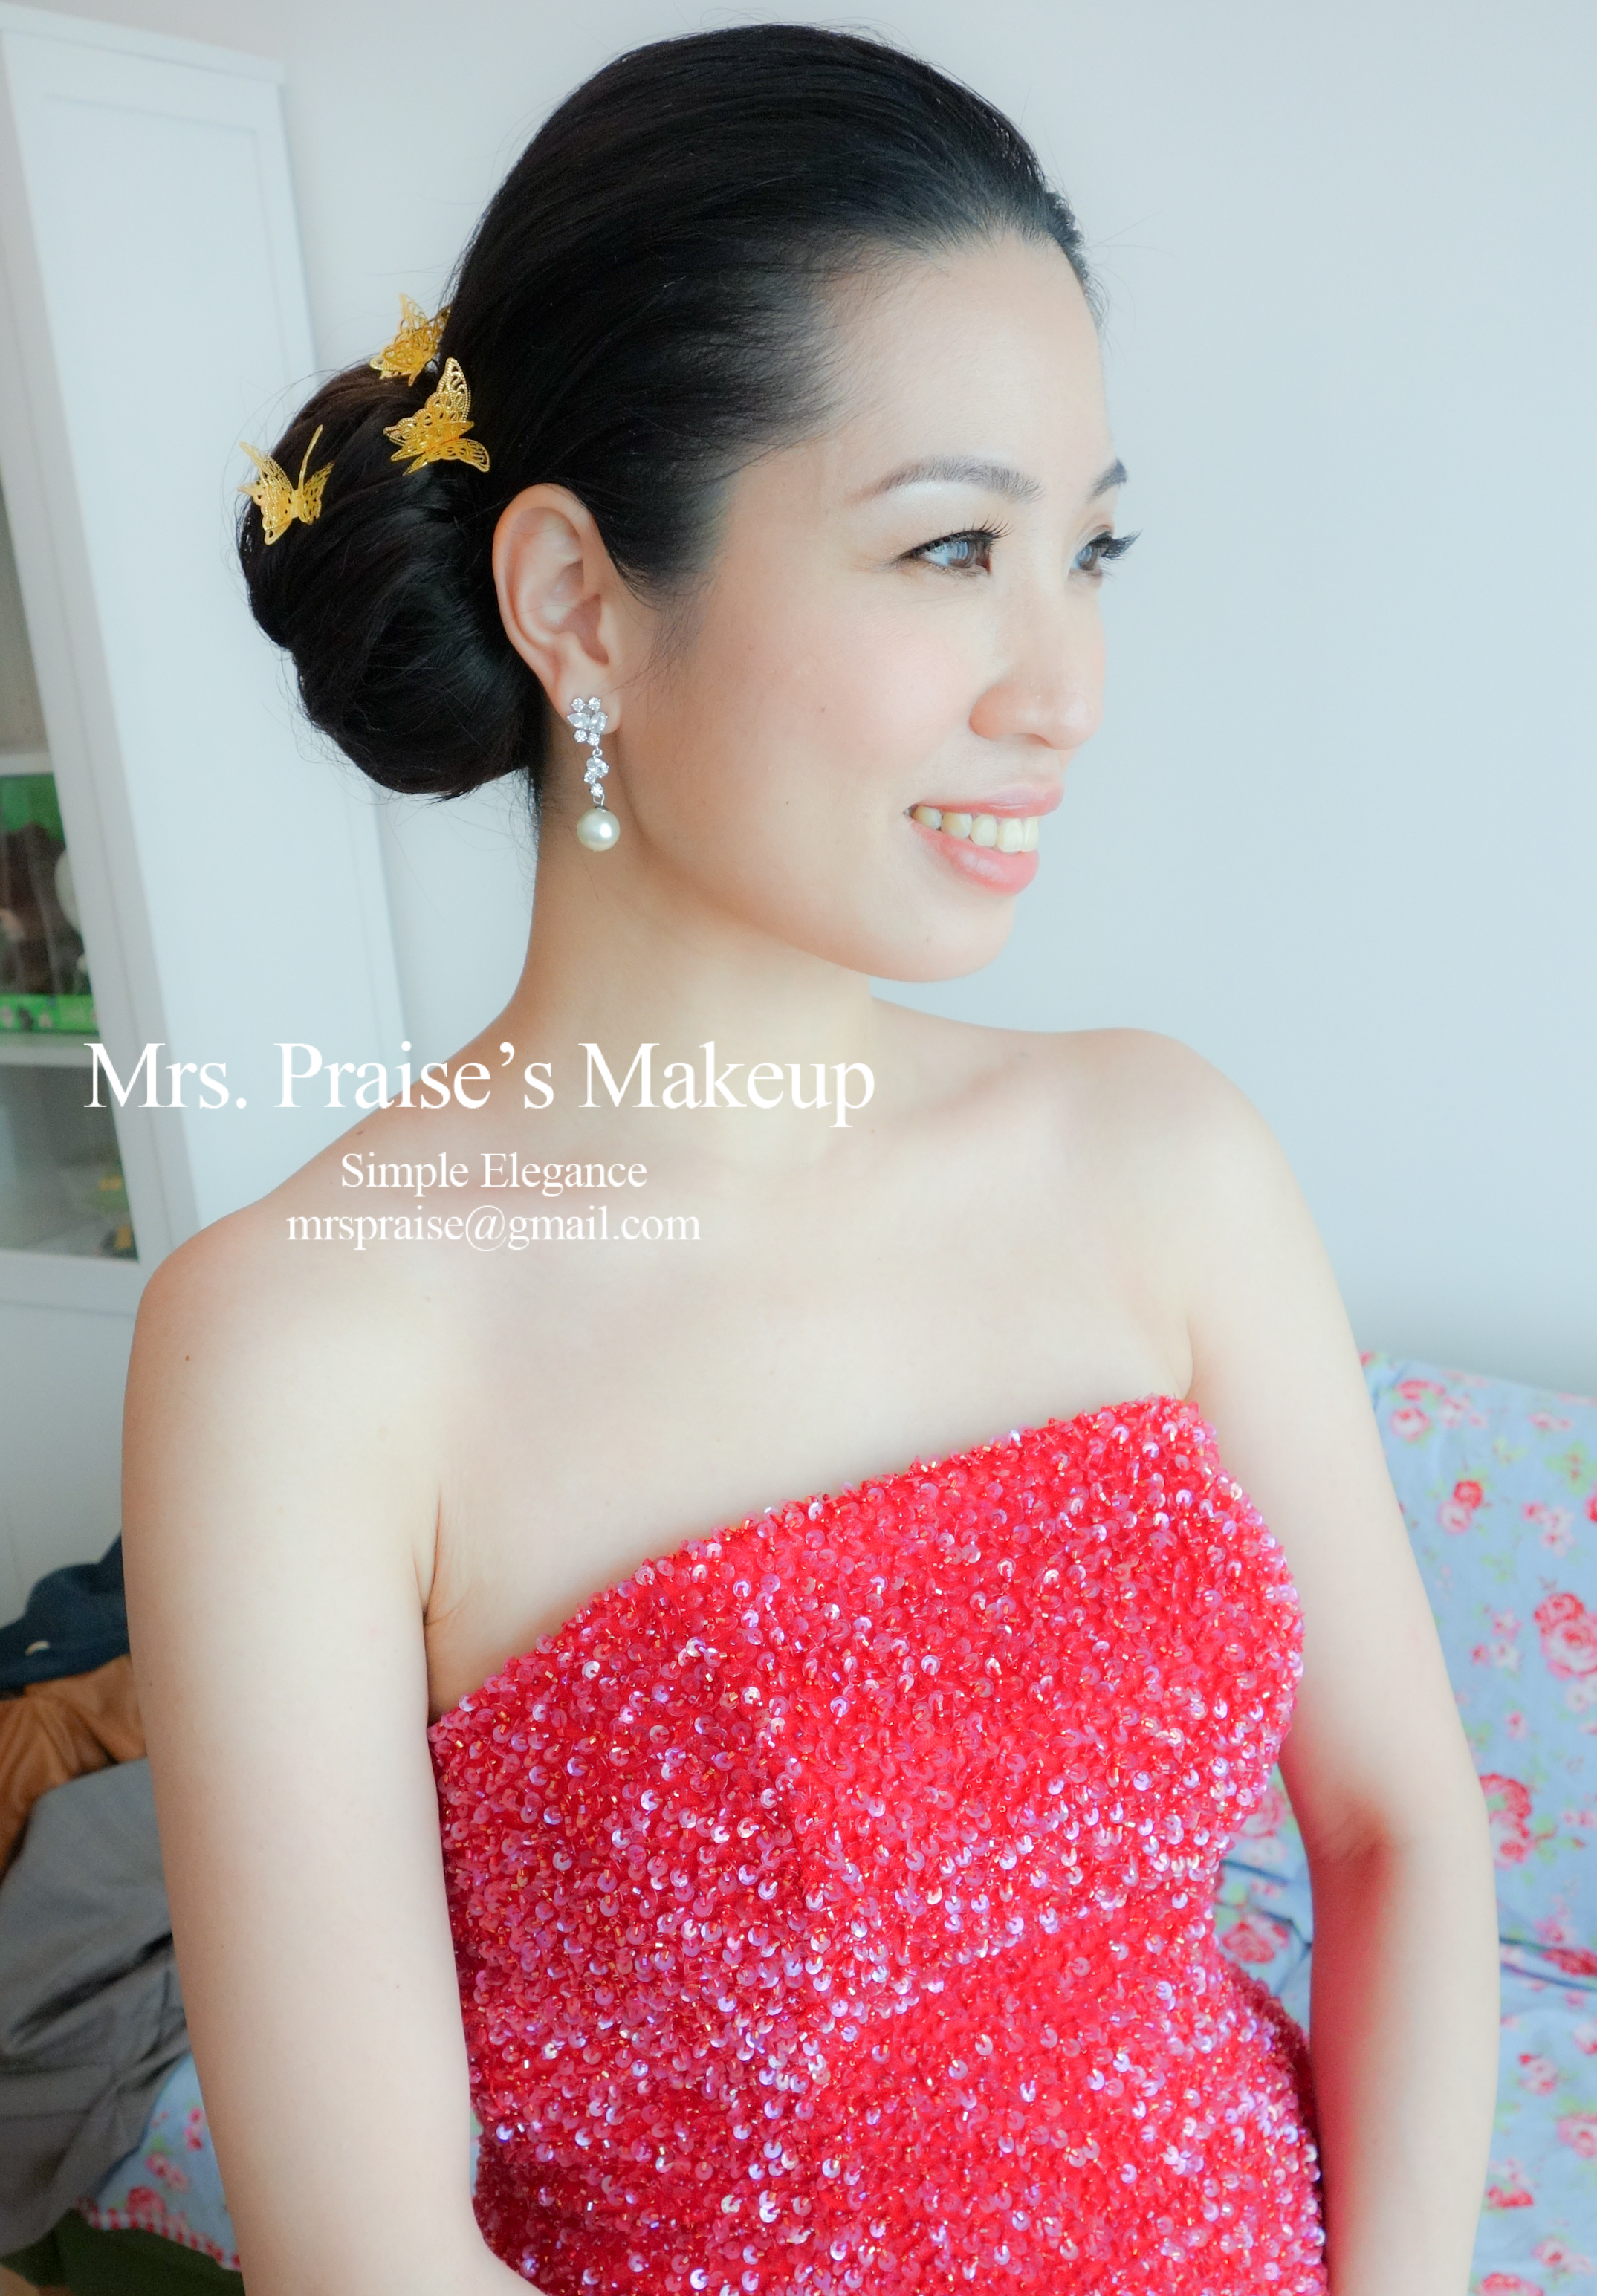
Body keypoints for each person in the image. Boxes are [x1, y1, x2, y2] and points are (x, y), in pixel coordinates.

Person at [121, 25, 1498, 2296]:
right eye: (953, 547)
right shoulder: (297, 1343)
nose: (1064, 684)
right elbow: (367, 2252)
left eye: (1088, 549)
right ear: (579, 601)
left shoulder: (1163, 1157)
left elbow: (1399, 1834)